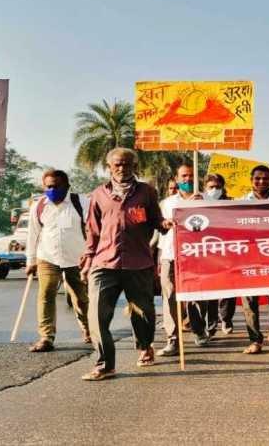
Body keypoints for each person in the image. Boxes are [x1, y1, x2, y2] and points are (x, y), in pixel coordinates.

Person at [80, 148, 171, 381]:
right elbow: (92, 230)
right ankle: (105, 364)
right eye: (118, 165)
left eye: (127, 165)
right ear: (109, 166)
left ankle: (145, 346)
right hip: (104, 263)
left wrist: (165, 224)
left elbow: (156, 220)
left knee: (143, 313)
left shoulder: (146, 192)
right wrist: (88, 260)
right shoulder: (99, 194)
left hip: (138, 263)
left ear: (134, 166)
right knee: (97, 315)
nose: (122, 169)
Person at [24, 169, 91, 352]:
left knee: (81, 298)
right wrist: (31, 261)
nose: (52, 190)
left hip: (77, 259)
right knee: (45, 296)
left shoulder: (82, 202)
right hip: (47, 257)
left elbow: (93, 230)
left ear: (67, 186)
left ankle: (88, 329)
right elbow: (33, 234)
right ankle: (46, 337)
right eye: (48, 186)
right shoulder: (38, 206)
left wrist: (91, 255)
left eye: (56, 186)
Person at [156, 164, 211, 358]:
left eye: (191, 176)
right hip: (171, 256)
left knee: (197, 297)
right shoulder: (167, 203)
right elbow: (161, 230)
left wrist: (200, 206)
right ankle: (173, 340)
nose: (188, 179)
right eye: (184, 176)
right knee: (170, 297)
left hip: (197, 257)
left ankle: (198, 329)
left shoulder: (207, 200)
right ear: (177, 179)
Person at [240, 165, 269, 354]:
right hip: (247, 257)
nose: (261, 182)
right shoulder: (239, 204)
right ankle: (255, 340)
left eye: (265, 179)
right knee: (249, 300)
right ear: (251, 180)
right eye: (257, 178)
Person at [203, 173, 236, 336]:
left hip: (227, 252)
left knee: (227, 291)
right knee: (210, 291)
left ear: (223, 188)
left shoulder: (231, 203)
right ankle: (211, 324)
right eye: (211, 187)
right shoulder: (198, 202)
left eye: (217, 187)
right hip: (205, 253)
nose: (214, 190)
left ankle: (226, 319)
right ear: (205, 188)